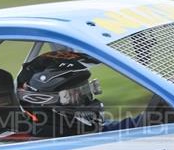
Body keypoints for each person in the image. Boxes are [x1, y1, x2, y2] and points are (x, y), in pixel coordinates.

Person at [16, 50, 144, 138]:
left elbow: (110, 130)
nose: (86, 100)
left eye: (87, 90)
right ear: (42, 100)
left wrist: (148, 118)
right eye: (73, 95)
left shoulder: (79, 132)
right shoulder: (46, 145)